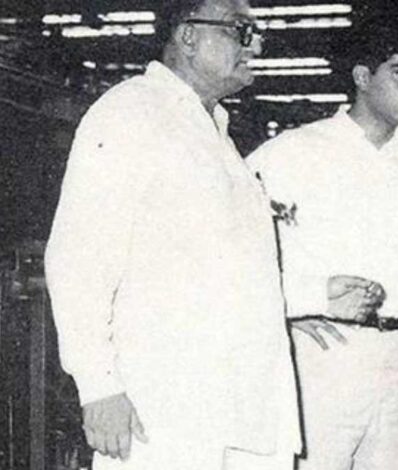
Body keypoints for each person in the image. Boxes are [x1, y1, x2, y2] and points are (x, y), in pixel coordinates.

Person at [43, 1, 365, 468]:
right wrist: (98, 386)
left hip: (241, 411)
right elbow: (77, 259)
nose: (257, 45)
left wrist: (314, 295)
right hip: (165, 410)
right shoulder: (130, 112)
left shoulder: (215, 134)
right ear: (189, 36)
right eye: (240, 30)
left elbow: (218, 273)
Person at [246, 14, 398, 470]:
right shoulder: (294, 151)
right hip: (326, 357)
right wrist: (286, 309)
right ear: (362, 77)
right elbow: (232, 238)